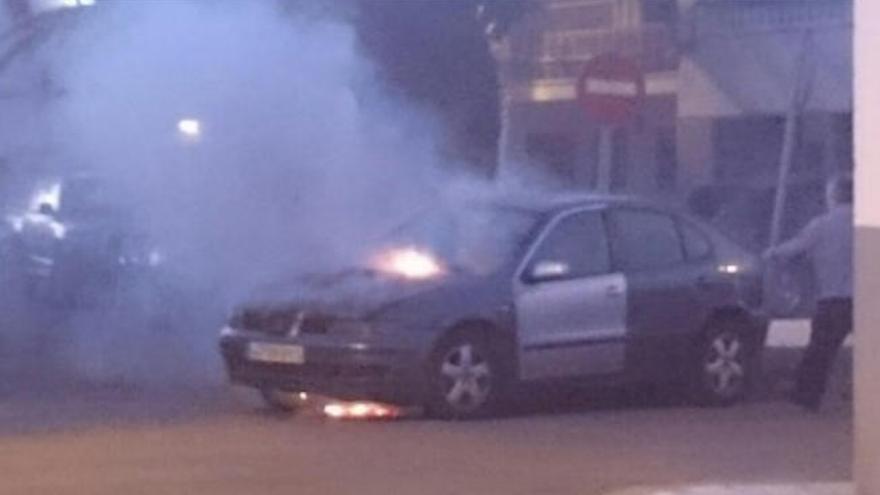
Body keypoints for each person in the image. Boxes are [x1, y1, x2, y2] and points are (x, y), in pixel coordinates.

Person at [765, 175, 853, 411]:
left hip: (834, 299)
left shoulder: (822, 225)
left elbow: (794, 248)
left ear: (834, 195)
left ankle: (807, 396)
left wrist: (770, 254)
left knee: (820, 350)